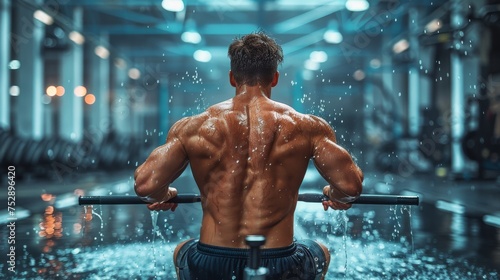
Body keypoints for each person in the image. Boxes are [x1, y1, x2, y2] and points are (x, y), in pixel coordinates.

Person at [134, 31, 364, 280]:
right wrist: (336, 196)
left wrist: (163, 195)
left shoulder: (194, 127)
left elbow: (146, 185)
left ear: (232, 78)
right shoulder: (307, 127)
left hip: (211, 261)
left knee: (182, 250)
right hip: (281, 261)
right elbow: (350, 186)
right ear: (274, 78)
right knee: (321, 252)